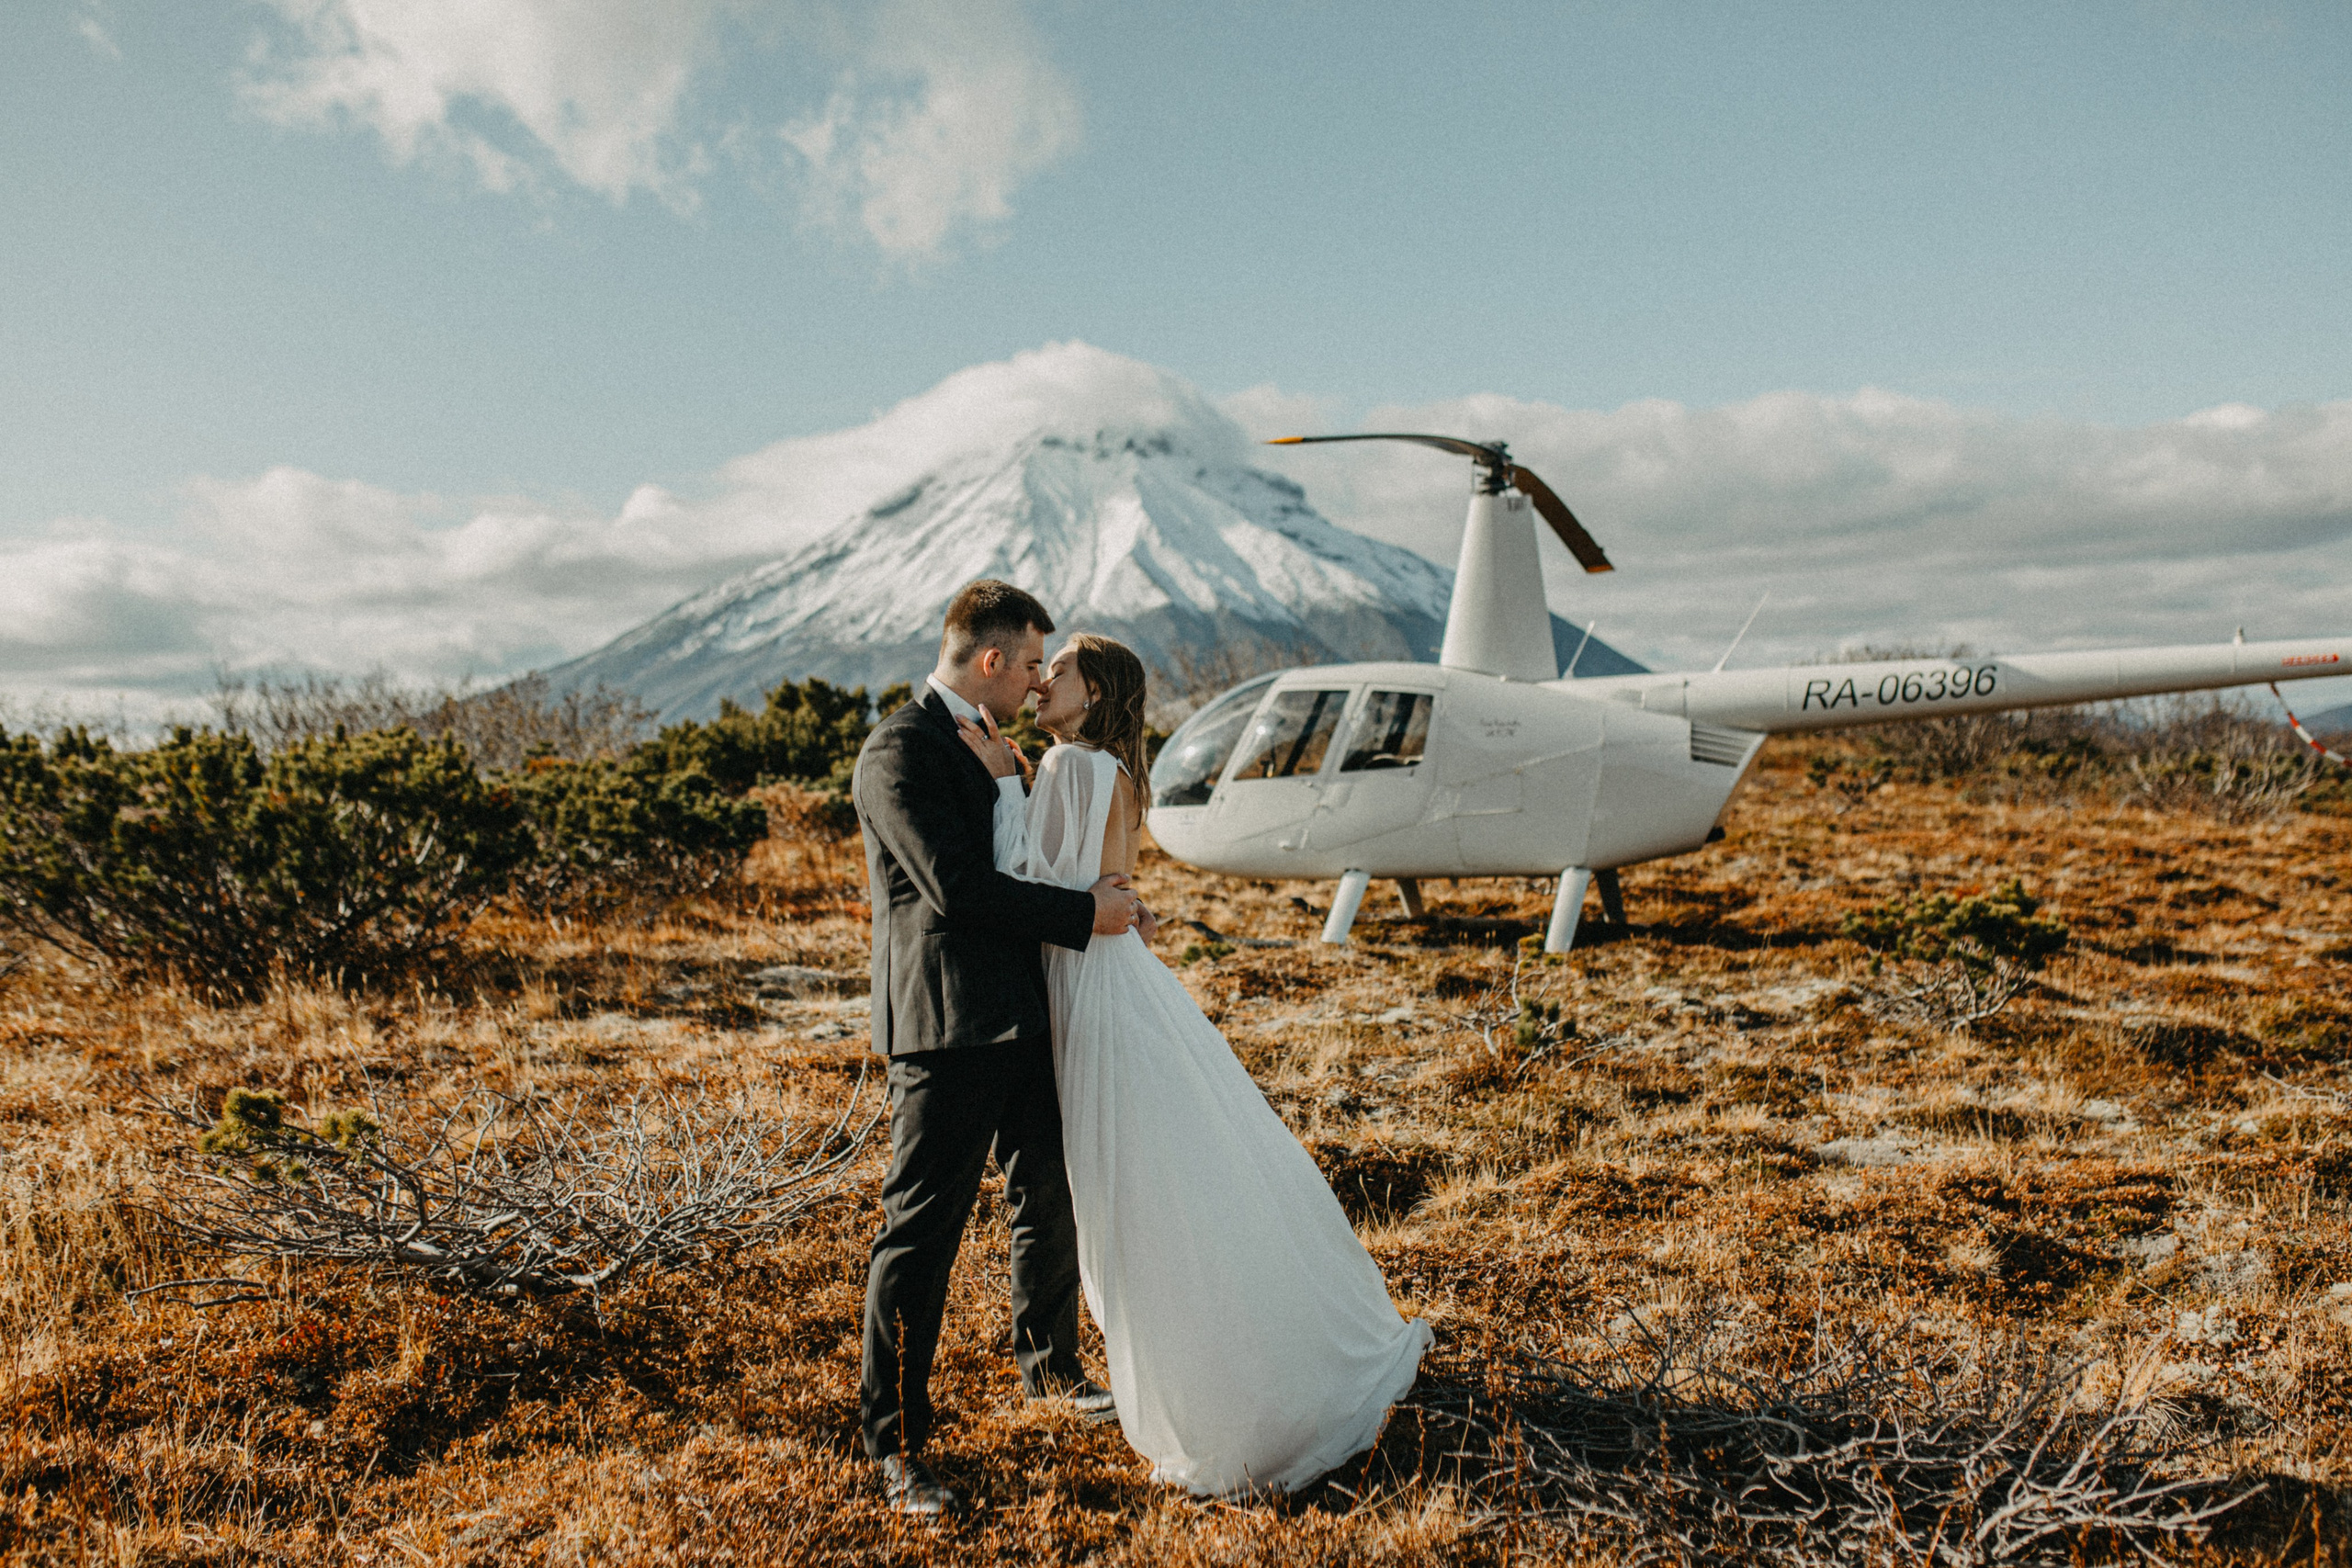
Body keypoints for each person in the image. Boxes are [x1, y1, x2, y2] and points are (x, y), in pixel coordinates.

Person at [958, 632, 1432, 1497]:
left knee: (1126, 1195)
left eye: (1056, 671)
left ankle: (1218, 1399)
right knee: (1172, 1179)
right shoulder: (1119, 772)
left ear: (1092, 692)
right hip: (1120, 981)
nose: (1039, 683)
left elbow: (1035, 883)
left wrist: (1000, 785)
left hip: (1084, 986)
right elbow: (1107, 885)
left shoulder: (1068, 766)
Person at [851, 581, 1144, 1517]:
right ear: (990, 661)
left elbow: (1027, 861)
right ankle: (894, 1444)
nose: (1033, 680)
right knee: (921, 1234)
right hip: (944, 1028)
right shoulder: (900, 750)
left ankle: (1049, 1368)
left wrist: (1106, 897)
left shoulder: (997, 750)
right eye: (1028, 664)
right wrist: (1084, 914)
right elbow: (955, 889)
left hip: (1027, 1011)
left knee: (1045, 1197)